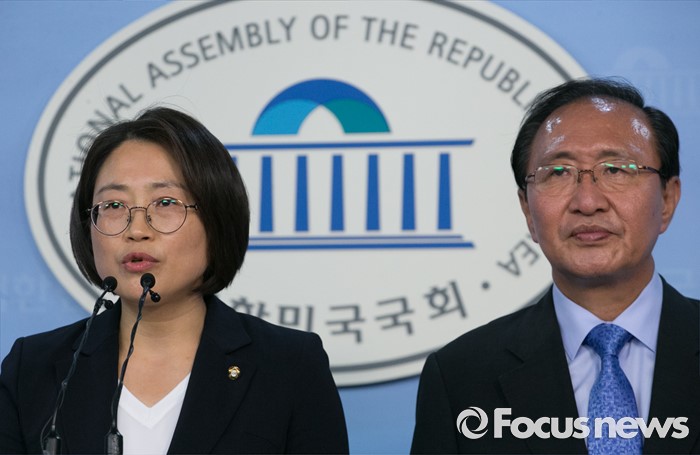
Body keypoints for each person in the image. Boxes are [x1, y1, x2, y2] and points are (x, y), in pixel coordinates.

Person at [0, 107, 349, 454]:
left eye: (165, 202)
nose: (137, 230)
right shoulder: (32, 368)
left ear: (217, 219)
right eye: (114, 206)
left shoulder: (289, 366)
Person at [411, 78, 700, 454]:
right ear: (528, 211)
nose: (588, 202)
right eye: (559, 173)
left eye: (616, 169)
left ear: (667, 199)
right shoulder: (460, 376)